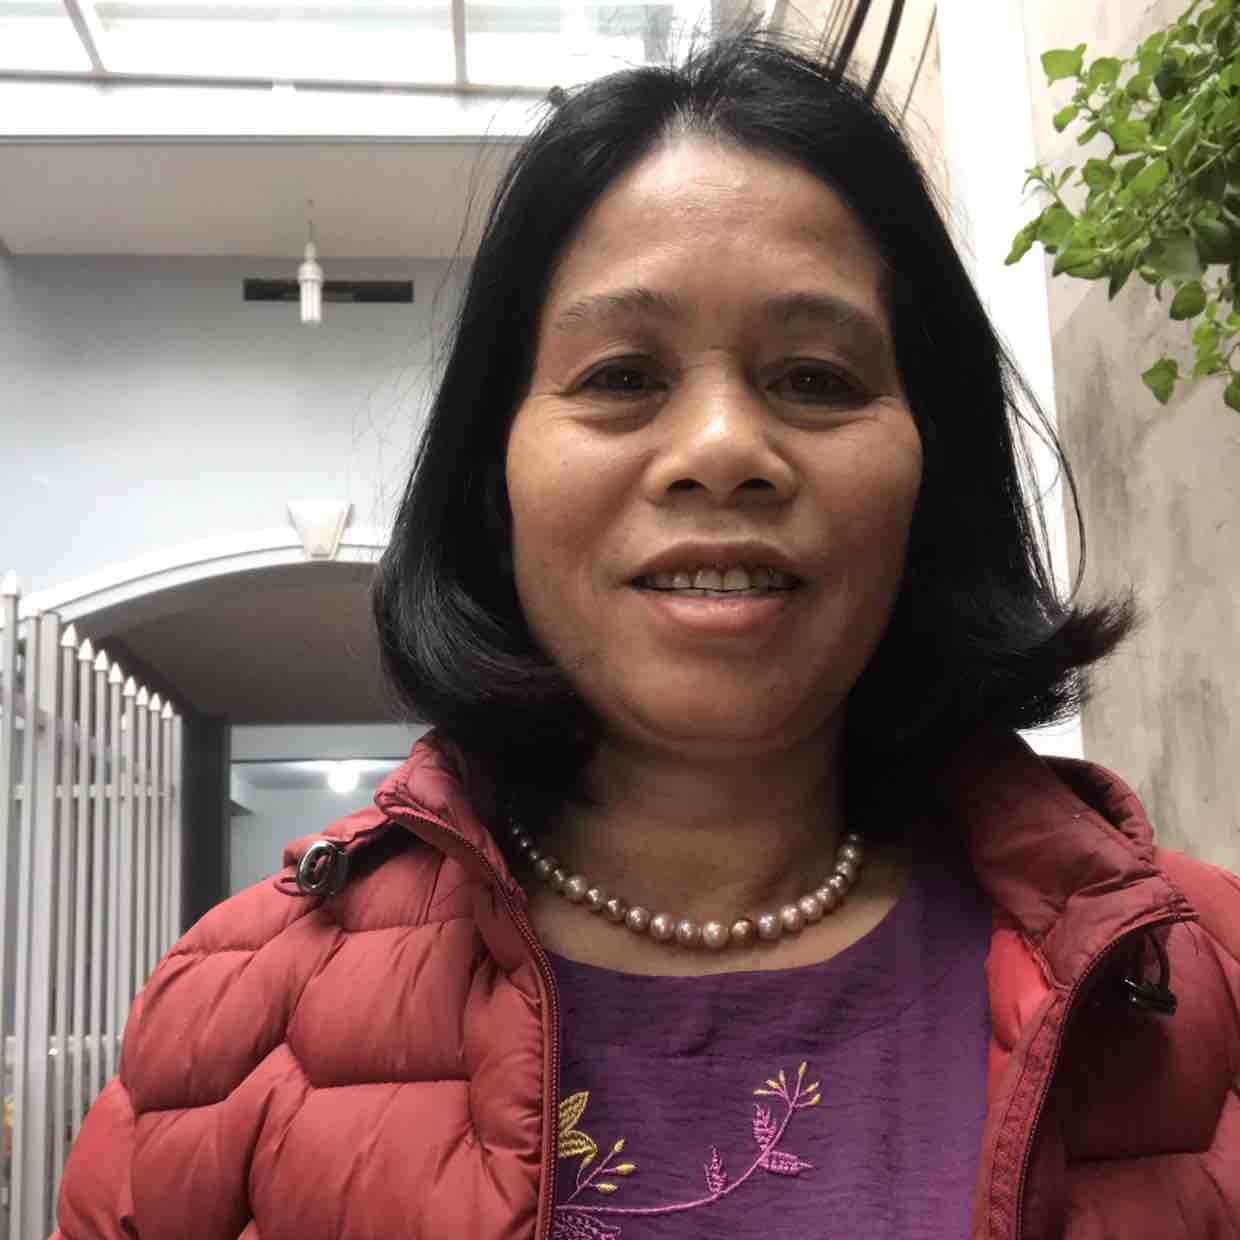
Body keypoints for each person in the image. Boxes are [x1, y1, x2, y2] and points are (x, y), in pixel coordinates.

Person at [57, 31, 1239, 1240]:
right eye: (621, 376)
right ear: (492, 476)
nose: (722, 448)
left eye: (817, 378)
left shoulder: (1203, 982)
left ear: (933, 472)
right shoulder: (232, 1016)